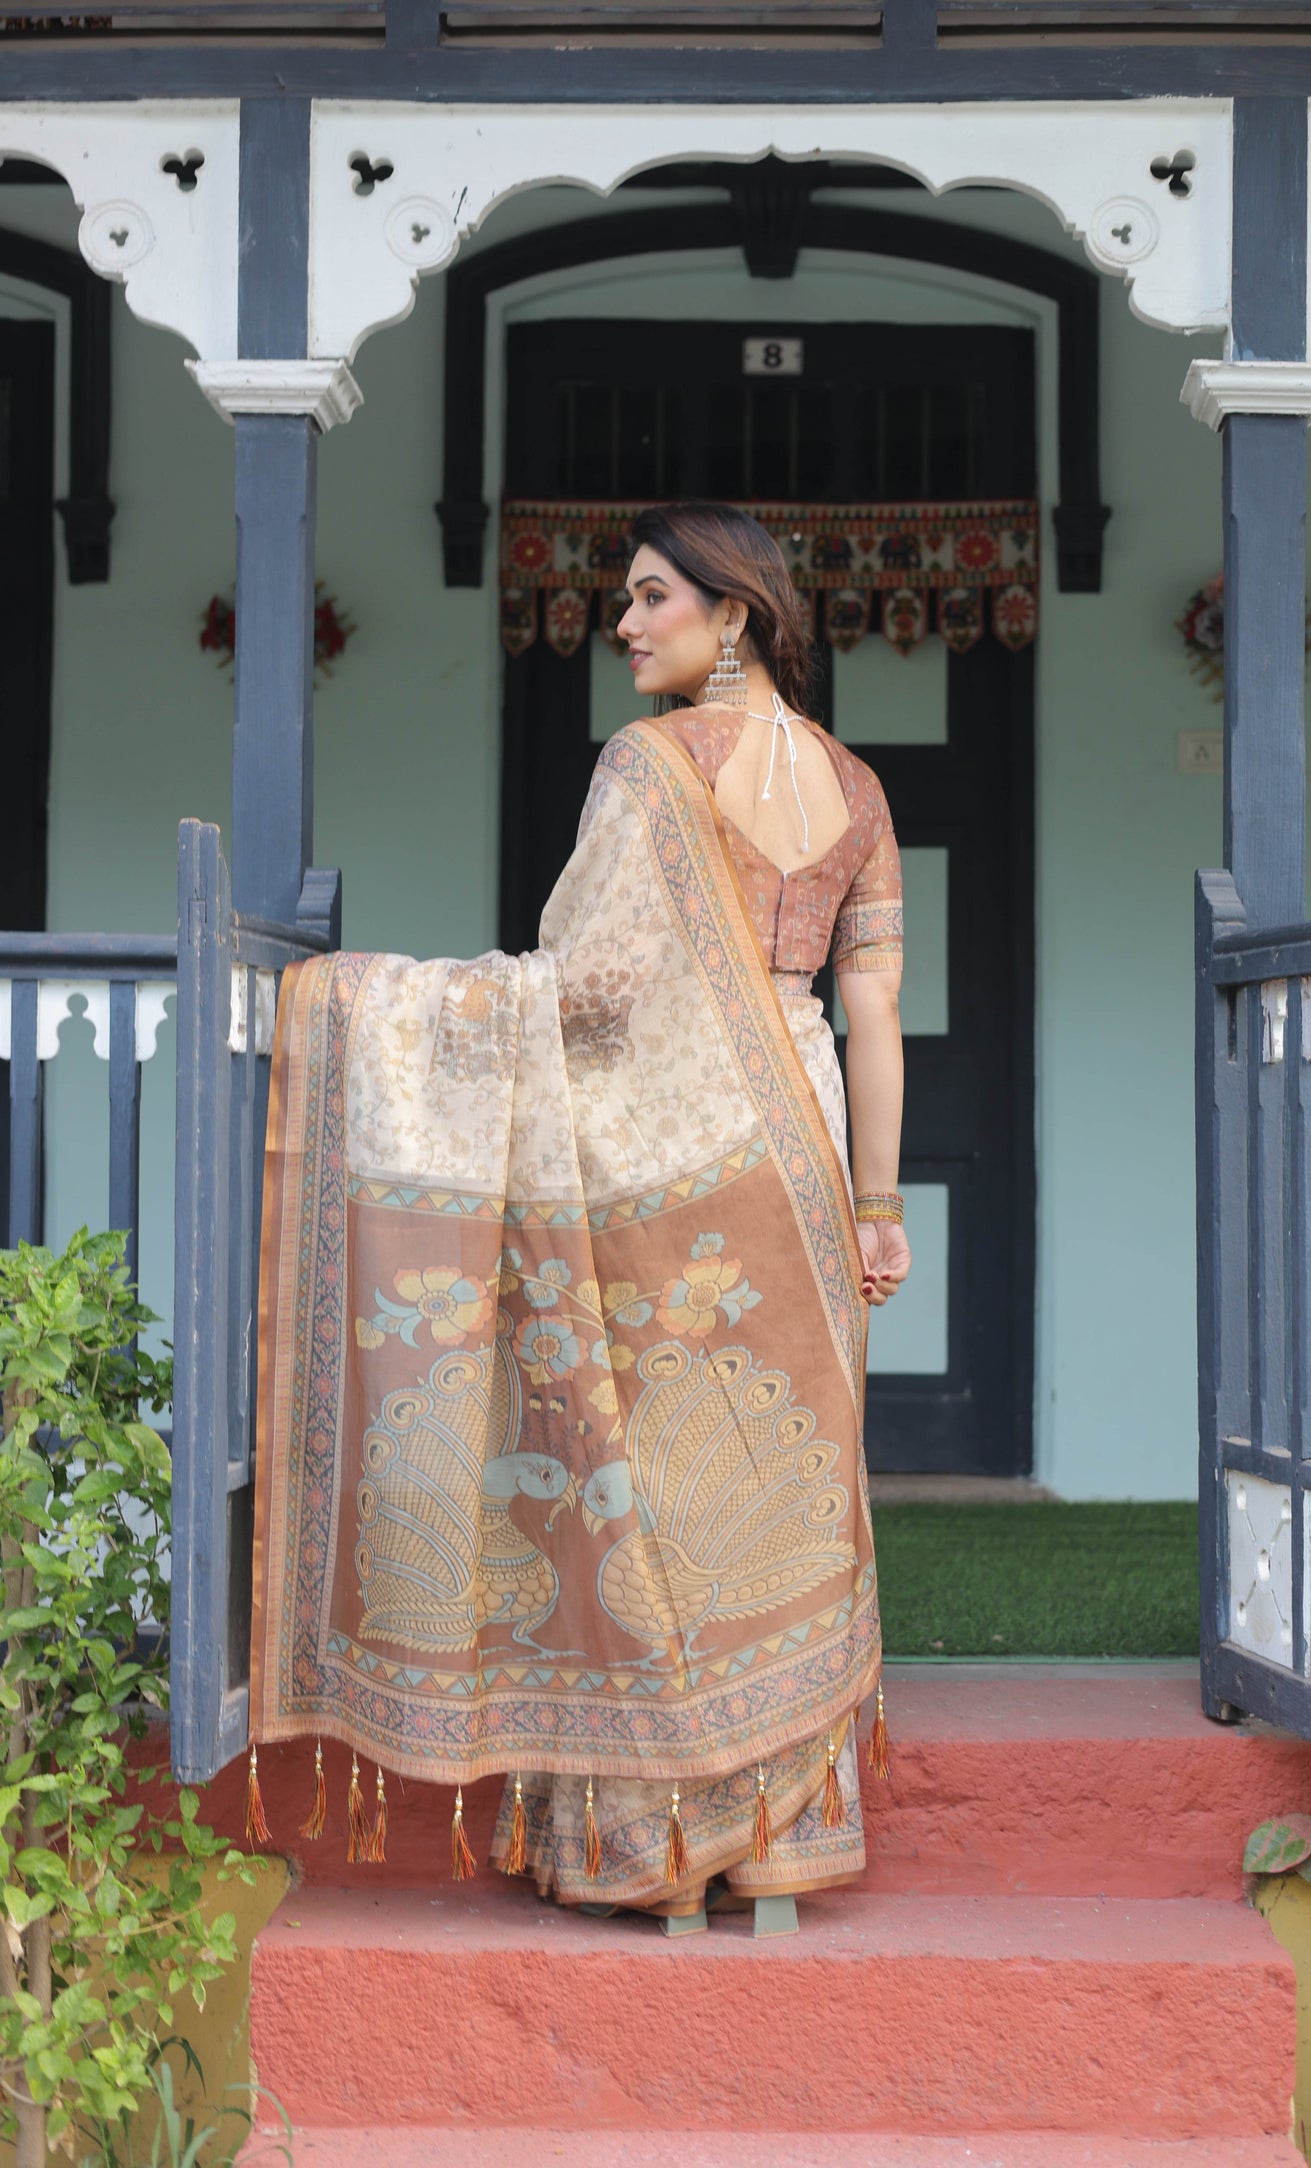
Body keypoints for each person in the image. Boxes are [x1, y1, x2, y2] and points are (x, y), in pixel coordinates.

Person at [249, 501, 908, 1928]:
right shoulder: (857, 788)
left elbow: (595, 988)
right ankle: (778, 1842)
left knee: (651, 1479)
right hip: (801, 1150)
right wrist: (873, 1206)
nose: (623, 622)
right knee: (774, 1478)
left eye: (651, 597)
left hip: (667, 1156)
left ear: (732, 614)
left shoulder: (649, 764)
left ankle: (654, 1848)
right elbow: (874, 1018)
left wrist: (380, 998)